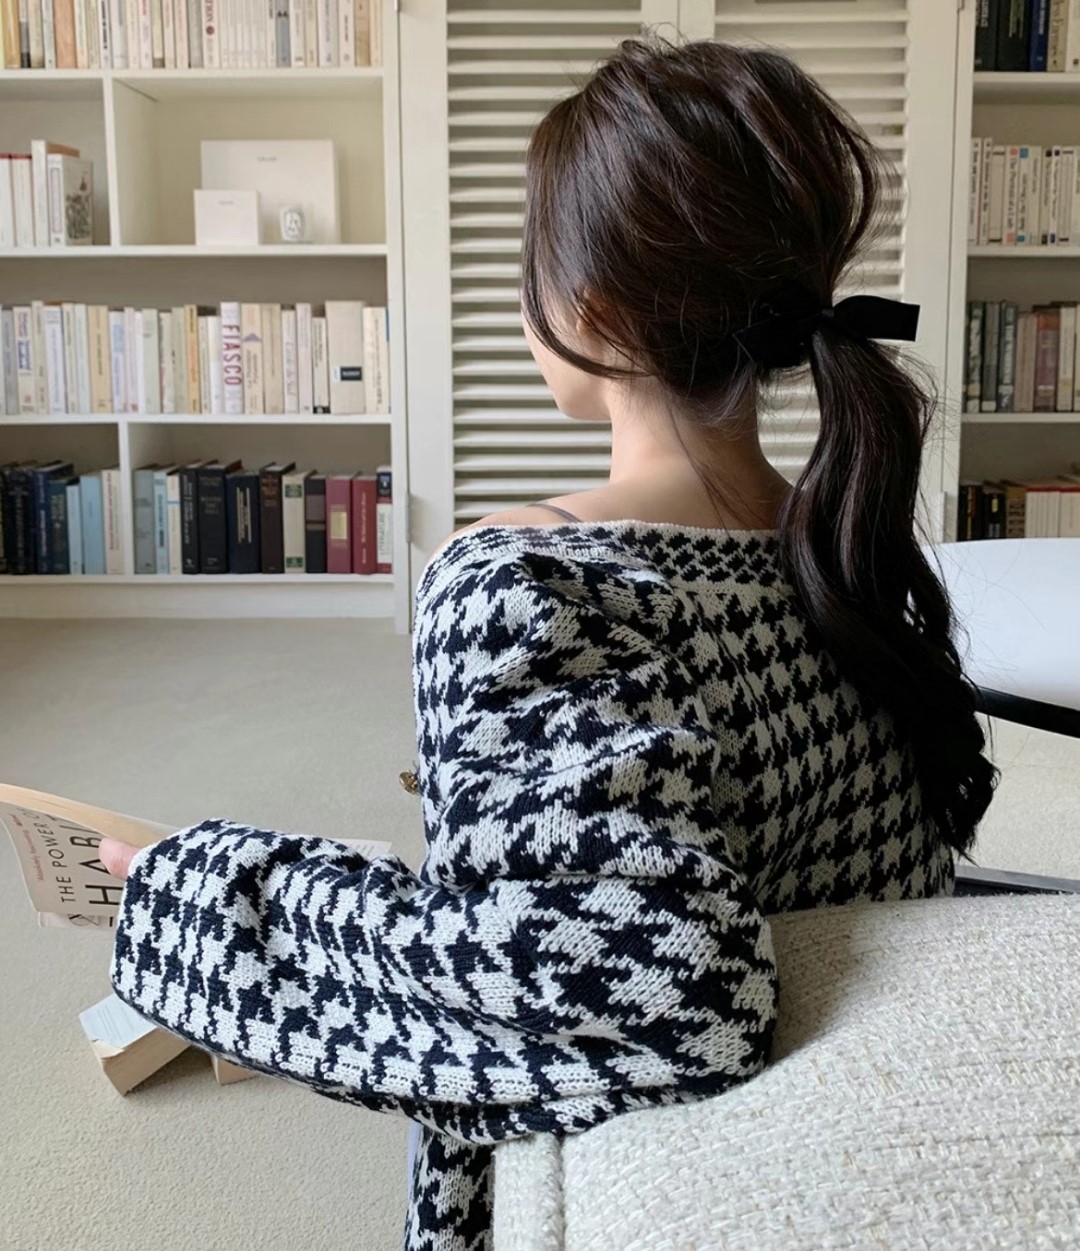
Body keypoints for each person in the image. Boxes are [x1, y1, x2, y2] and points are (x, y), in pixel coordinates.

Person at [100, 35, 997, 1251]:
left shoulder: (526, 579)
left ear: (590, 311)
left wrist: (207, 893)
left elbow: (656, 989)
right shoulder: (841, 536)